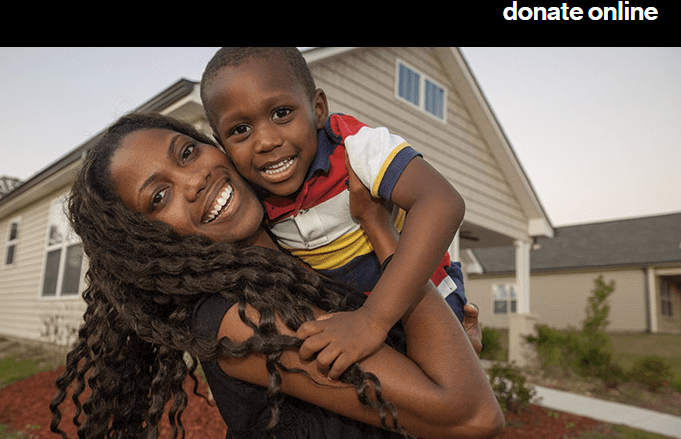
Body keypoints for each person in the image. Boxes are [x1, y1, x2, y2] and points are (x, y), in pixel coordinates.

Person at [49, 113, 502, 439]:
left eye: (187, 153)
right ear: (145, 244)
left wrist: (450, 341)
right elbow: (470, 415)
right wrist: (380, 230)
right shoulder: (238, 319)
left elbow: (427, 380)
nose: (194, 181)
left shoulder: (303, 260)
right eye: (159, 197)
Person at [200, 47, 468, 380]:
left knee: (446, 395)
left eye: (282, 112)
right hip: (350, 320)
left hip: (427, 299)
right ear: (221, 145)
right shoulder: (249, 198)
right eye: (240, 130)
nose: (266, 141)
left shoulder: (356, 147)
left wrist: (373, 319)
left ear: (318, 109)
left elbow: (442, 202)